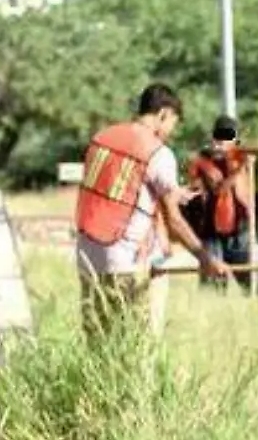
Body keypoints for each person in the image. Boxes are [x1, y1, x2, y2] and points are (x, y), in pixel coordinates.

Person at [75, 83, 227, 340]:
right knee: (137, 347)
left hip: (88, 258)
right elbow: (174, 220)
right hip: (128, 262)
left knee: (98, 346)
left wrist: (171, 193)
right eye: (172, 124)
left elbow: (116, 189)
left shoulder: (101, 139)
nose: (170, 132)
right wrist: (205, 258)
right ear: (163, 114)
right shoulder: (158, 153)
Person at [185, 114, 256, 292]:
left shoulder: (241, 158)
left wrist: (244, 164)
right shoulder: (202, 162)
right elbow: (218, 189)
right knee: (213, 287)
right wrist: (240, 170)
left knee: (252, 284)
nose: (222, 142)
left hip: (240, 230)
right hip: (212, 231)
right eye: (219, 137)